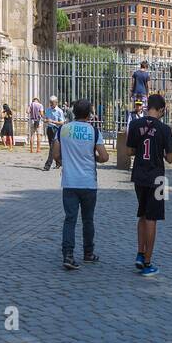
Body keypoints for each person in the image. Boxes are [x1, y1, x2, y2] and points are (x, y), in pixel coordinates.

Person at [53, 99, 108, 270]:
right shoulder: (93, 131)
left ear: (73, 112)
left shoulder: (63, 129)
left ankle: (68, 254)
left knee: (70, 219)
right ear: (89, 114)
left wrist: (64, 161)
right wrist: (95, 158)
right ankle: (88, 253)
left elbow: (55, 154)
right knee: (88, 220)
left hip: (70, 181)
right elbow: (104, 157)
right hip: (88, 182)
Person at [126, 93, 172, 277]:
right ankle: (147, 261)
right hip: (158, 178)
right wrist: (160, 151)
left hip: (139, 175)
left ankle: (140, 253)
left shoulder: (135, 124)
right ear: (161, 109)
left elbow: (130, 150)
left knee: (142, 213)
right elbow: (170, 159)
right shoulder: (164, 129)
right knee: (152, 218)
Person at [43, 96, 66, 171]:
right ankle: (59, 162)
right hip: (49, 129)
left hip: (56, 129)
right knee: (52, 147)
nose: (51, 104)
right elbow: (45, 119)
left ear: (56, 102)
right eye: (50, 102)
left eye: (52, 103)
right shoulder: (48, 110)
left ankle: (47, 165)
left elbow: (62, 122)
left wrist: (52, 121)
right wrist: (46, 120)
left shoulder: (59, 111)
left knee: (52, 148)